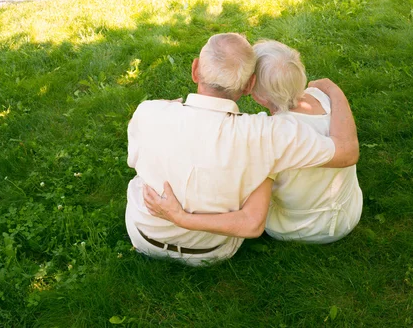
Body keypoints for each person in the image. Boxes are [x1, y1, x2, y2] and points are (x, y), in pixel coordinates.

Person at [126, 33, 359, 266]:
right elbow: (346, 152)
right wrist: (332, 88)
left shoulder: (148, 112)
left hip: (142, 234)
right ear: (249, 86)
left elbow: (134, 160)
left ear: (195, 69)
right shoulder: (265, 135)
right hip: (209, 252)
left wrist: (179, 216)